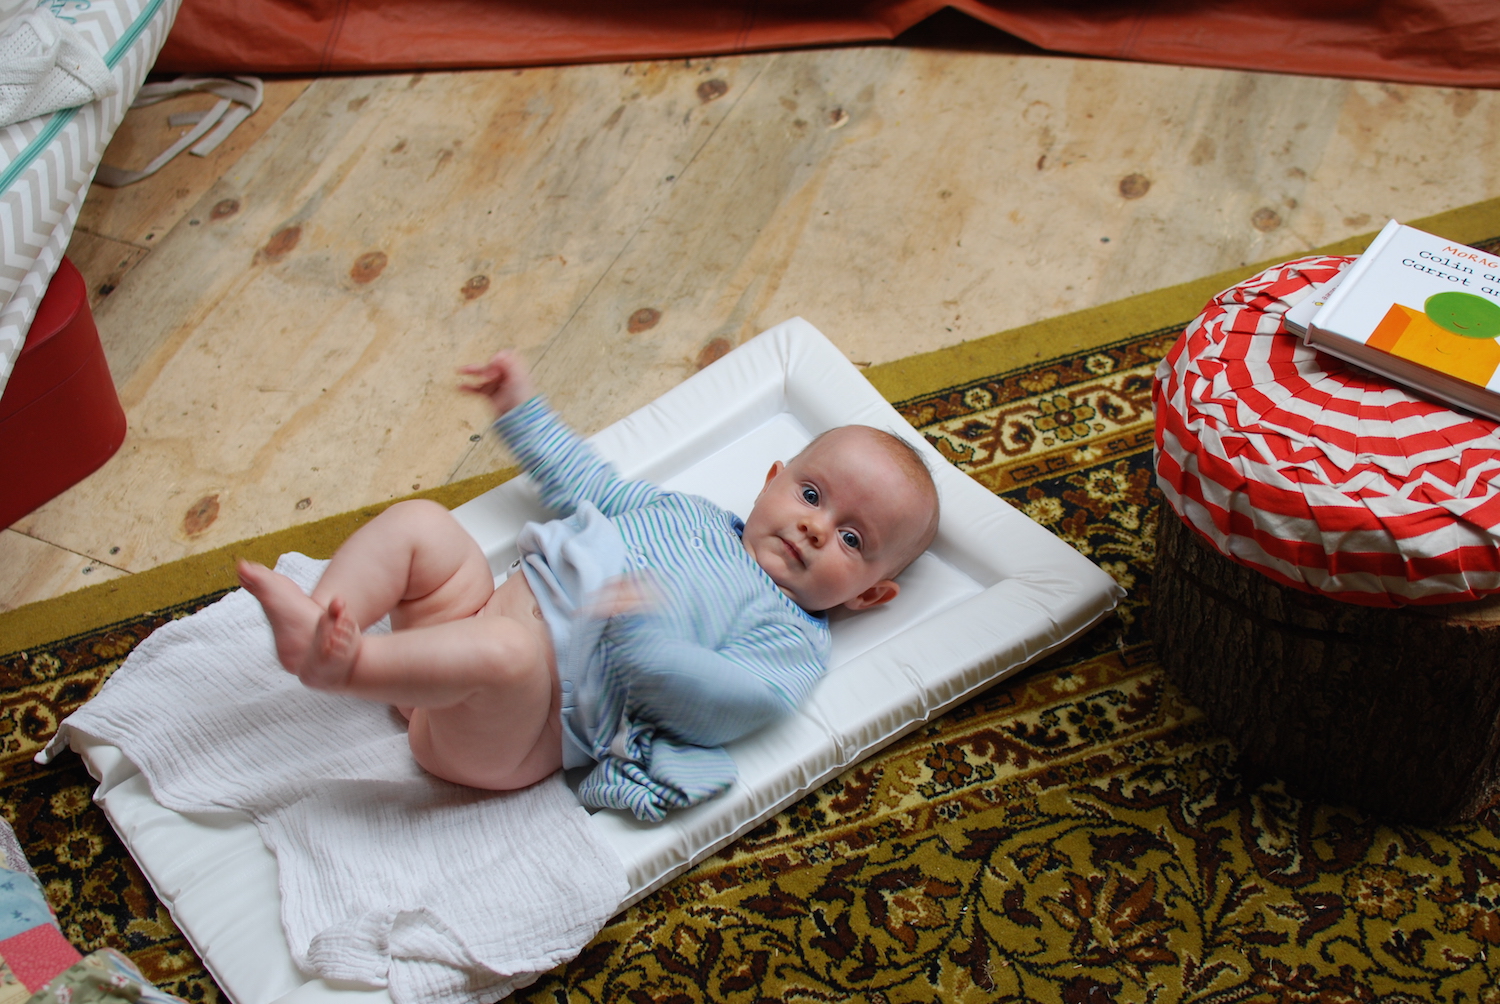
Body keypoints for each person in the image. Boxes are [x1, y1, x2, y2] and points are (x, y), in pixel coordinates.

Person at [238, 350, 940, 819]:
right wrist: (519, 409)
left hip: (515, 725)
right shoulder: (687, 513)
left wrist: (643, 638)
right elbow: (585, 482)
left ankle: (346, 666)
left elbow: (731, 704)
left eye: (853, 540)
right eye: (811, 495)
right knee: (423, 526)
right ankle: (324, 615)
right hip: (466, 621)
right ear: (771, 481)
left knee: (507, 652)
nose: (816, 528)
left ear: (868, 594)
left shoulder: (792, 634)